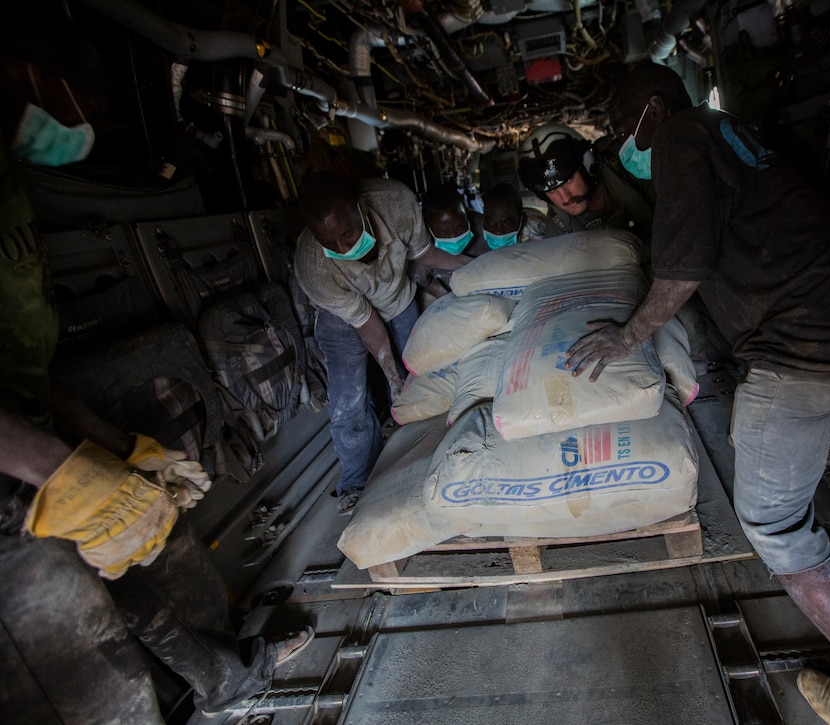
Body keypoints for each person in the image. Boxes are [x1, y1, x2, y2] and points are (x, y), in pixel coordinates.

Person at [563, 63, 830, 725]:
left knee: (775, 529)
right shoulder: (722, 128)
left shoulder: (679, 138)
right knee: (766, 459)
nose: (626, 140)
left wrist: (625, 339)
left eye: (625, 126)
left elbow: (683, 267)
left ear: (654, 107)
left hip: (803, 351)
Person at [0, 9, 312, 721]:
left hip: (38, 445)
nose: (92, 116)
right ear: (29, 69)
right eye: (87, 95)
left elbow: (20, 361)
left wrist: (115, 451)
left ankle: (229, 676)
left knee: (167, 563)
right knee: (93, 678)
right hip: (13, 490)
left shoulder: (9, 183)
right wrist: (61, 470)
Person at [295, 171, 468, 513]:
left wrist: (474, 266)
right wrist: (389, 369)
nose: (344, 248)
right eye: (332, 244)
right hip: (344, 320)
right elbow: (365, 322)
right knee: (348, 400)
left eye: (348, 234)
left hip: (397, 298)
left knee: (419, 379)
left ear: (360, 209)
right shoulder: (312, 266)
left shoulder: (396, 203)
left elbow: (425, 253)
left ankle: (425, 459)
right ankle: (357, 482)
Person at [517, 123, 655, 245]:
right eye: (552, 191)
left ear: (587, 165)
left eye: (569, 181)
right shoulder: (555, 231)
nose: (565, 198)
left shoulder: (627, 167)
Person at [481, 181, 546, 248]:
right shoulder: (477, 235)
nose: (498, 232)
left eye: (508, 224)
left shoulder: (535, 241)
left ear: (522, 219)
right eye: (490, 223)